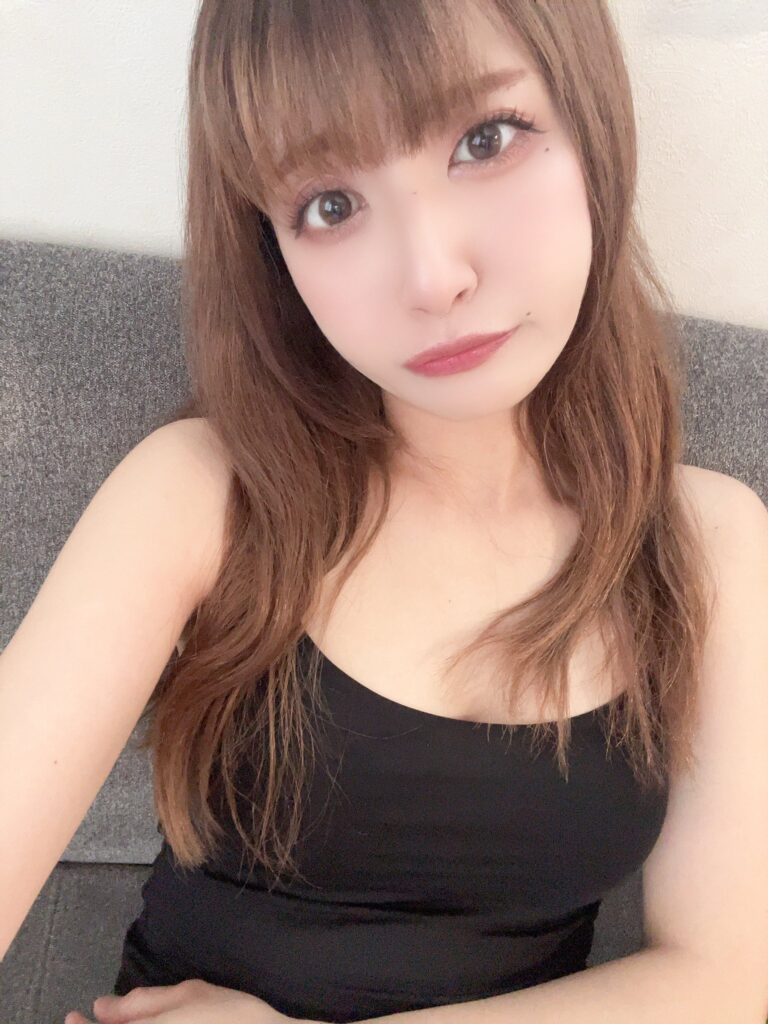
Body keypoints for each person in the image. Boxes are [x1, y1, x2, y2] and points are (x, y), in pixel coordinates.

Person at [11, 0, 758, 1022]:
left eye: (485, 140)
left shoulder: (708, 546)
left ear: (593, 121)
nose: (433, 277)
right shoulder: (204, 494)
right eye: (329, 204)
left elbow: (727, 976)